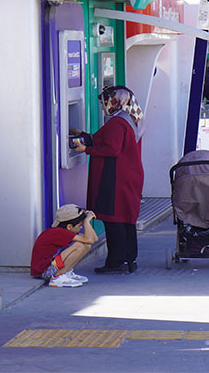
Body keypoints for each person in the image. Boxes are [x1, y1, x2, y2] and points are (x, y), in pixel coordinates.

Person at [73, 86, 144, 273]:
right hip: (128, 176)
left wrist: (85, 150)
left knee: (114, 219)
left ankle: (116, 261)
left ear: (115, 101)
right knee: (126, 219)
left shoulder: (117, 123)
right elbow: (101, 140)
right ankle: (130, 259)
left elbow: (111, 149)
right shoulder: (130, 120)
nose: (103, 105)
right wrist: (82, 135)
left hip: (115, 179)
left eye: (105, 101)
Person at [30, 205, 99, 287]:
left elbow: (94, 239)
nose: (81, 227)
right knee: (78, 246)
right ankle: (57, 277)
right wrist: (86, 222)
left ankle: (65, 272)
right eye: (80, 225)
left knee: (86, 246)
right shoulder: (58, 232)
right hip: (44, 271)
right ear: (69, 226)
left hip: (49, 267)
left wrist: (86, 222)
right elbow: (90, 240)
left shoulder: (65, 231)